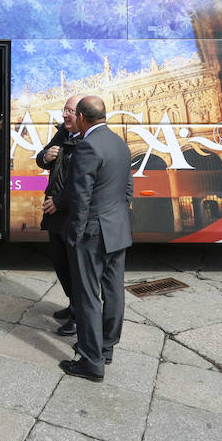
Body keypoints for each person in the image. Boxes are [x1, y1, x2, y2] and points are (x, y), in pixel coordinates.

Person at [59, 95, 132, 383]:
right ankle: (106, 348)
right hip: (118, 228)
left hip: (92, 232)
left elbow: (81, 197)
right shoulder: (119, 142)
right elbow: (127, 189)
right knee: (114, 291)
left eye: (73, 115)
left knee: (88, 295)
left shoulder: (87, 146)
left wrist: (74, 235)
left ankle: (91, 362)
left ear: (81, 116)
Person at [38, 93, 86, 336]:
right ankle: (72, 304)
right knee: (60, 263)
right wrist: (45, 157)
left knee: (75, 267)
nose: (64, 114)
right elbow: (42, 157)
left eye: (69, 111)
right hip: (54, 212)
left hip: (70, 214)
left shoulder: (87, 142)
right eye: (64, 110)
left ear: (81, 115)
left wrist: (59, 201)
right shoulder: (62, 134)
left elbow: (82, 184)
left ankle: (79, 317)